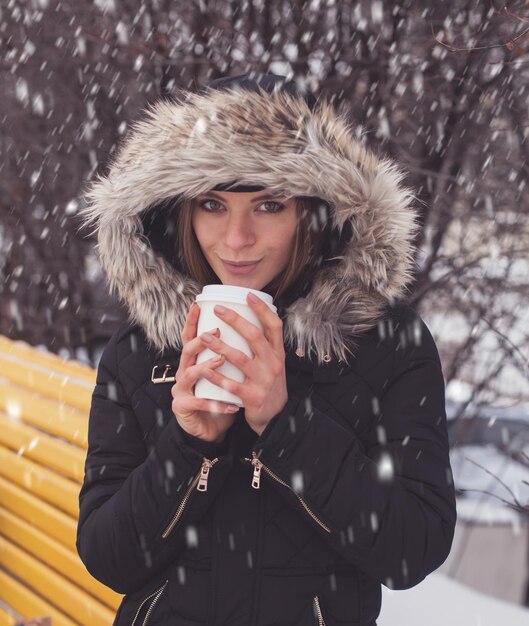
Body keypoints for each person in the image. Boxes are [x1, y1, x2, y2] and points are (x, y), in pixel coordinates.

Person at [76, 72, 457, 625]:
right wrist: (190, 445)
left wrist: (285, 425)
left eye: (269, 205)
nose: (236, 239)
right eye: (212, 204)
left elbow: (412, 550)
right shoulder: (142, 349)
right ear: (178, 212)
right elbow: (109, 559)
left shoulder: (386, 344)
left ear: (315, 212)